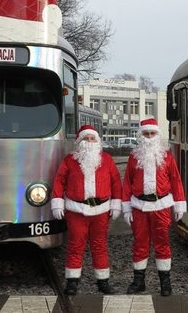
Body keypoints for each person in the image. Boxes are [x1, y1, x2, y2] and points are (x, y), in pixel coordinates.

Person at [51, 125, 122, 295]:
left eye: (92, 139)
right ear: (79, 141)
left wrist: (116, 203)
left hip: (101, 210)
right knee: (76, 245)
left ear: (97, 141)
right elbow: (59, 180)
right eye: (86, 139)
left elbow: (116, 182)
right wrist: (57, 201)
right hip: (76, 211)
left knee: (100, 245)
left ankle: (103, 281)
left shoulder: (106, 159)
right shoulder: (70, 160)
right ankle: (72, 282)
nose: (89, 142)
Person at [122, 118, 186, 296]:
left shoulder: (166, 156)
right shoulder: (134, 157)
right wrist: (126, 207)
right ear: (140, 135)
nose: (149, 137)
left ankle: (165, 283)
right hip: (139, 206)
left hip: (161, 206)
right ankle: (138, 282)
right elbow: (127, 182)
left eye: (152, 134)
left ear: (157, 135)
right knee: (140, 244)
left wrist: (179, 204)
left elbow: (175, 180)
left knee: (162, 243)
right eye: (146, 133)